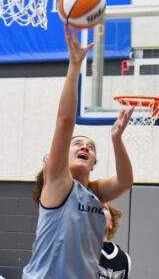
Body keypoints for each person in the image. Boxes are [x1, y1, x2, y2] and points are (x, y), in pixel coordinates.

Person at [23, 25, 134, 278]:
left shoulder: (94, 193)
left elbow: (126, 181)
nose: (85, 146)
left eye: (91, 147)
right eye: (78, 144)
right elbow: (65, 120)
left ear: (94, 163)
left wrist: (116, 139)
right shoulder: (59, 184)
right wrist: (74, 66)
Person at [98, 203, 131, 279]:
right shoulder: (79, 250)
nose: (99, 210)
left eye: (104, 208)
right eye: (95, 208)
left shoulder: (124, 259)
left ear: (111, 223)